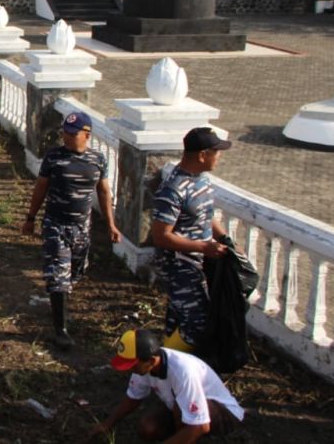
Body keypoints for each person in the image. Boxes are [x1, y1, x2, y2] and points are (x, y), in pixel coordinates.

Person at [21, 111, 120, 350]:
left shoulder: (98, 160)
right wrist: (31, 217)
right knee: (58, 276)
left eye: (72, 134)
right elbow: (41, 187)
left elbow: (104, 192)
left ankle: (60, 300)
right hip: (55, 224)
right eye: (64, 132)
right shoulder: (54, 157)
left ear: (87, 135)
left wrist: (110, 224)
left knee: (76, 271)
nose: (66, 137)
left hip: (81, 228)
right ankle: (60, 329)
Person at [152, 127, 232, 351]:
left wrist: (224, 238)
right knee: (197, 322)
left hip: (199, 261)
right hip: (179, 265)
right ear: (202, 155)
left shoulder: (202, 181)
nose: (220, 156)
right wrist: (202, 247)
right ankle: (172, 364)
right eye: (216, 151)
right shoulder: (173, 190)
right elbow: (161, 236)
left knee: (179, 316)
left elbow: (207, 216)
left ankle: (167, 362)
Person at [90, 329, 244, 442]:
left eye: (132, 365)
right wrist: (107, 424)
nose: (130, 370)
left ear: (151, 361)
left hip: (223, 415)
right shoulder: (143, 368)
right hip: (184, 410)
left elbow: (200, 425)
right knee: (148, 428)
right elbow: (133, 397)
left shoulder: (183, 372)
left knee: (180, 408)